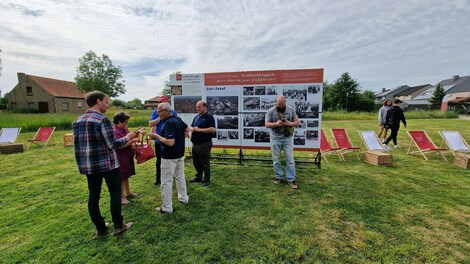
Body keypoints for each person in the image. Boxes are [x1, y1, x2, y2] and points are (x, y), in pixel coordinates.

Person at [73, 91, 135, 236]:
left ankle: (101, 228)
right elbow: (113, 144)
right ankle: (119, 226)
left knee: (93, 195)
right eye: (106, 102)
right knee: (115, 193)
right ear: (98, 101)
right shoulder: (103, 120)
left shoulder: (77, 120)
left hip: (89, 166)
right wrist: (128, 137)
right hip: (108, 165)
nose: (108, 104)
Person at [148, 103, 189, 213]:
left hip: (169, 156)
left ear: (166, 111)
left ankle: (166, 207)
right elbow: (187, 129)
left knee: (166, 181)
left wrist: (156, 137)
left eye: (159, 111)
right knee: (180, 176)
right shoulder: (177, 119)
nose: (157, 113)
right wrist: (181, 140)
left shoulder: (168, 123)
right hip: (179, 154)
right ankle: (183, 198)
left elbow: (170, 142)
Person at [265, 95, 299, 189]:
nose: (280, 107)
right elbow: (266, 124)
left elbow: (297, 122)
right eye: (278, 105)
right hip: (275, 138)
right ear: (276, 102)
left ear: (285, 102)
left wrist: (290, 123)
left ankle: (291, 179)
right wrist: (276, 124)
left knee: (290, 159)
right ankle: (278, 177)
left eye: (282, 105)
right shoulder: (271, 111)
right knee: (276, 159)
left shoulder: (291, 110)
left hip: (287, 138)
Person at [113, 112, 142, 205]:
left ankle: (127, 192)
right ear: (119, 122)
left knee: (126, 174)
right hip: (120, 156)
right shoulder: (115, 131)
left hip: (127, 155)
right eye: (125, 122)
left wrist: (137, 133)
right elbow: (119, 146)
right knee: (121, 176)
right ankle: (122, 197)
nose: (127, 124)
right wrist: (131, 141)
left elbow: (131, 137)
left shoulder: (124, 129)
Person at [149, 96, 178, 186]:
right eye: (160, 102)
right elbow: (150, 124)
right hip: (159, 141)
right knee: (159, 160)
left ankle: (171, 176)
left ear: (168, 103)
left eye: (163, 102)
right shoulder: (156, 112)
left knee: (170, 160)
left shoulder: (173, 112)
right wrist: (159, 118)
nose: (160, 104)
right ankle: (158, 177)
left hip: (169, 140)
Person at [189, 101, 216, 187]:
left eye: (199, 107)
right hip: (195, 144)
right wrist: (192, 129)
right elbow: (191, 126)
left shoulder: (209, 117)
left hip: (204, 144)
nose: (197, 108)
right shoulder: (196, 117)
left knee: (205, 163)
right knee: (196, 162)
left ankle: (207, 180)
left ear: (205, 107)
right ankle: (198, 177)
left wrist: (199, 130)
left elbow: (212, 129)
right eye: (197, 107)